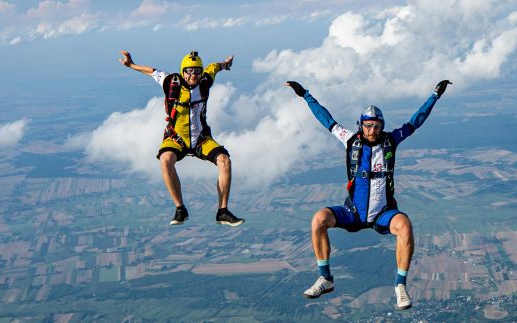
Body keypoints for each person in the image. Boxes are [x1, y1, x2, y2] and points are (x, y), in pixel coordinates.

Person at [285, 79, 452, 310]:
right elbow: (326, 119)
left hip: (383, 212)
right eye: (368, 125)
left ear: (381, 126)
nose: (372, 130)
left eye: (376, 125)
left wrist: (435, 95)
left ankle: (400, 285)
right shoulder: (350, 140)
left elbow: (415, 121)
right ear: (361, 125)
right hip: (352, 212)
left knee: (404, 225)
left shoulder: (391, 141)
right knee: (318, 219)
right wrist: (305, 94)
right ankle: (325, 278)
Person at [120, 49, 244, 226]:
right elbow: (152, 72)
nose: (194, 75)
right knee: (165, 160)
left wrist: (226, 64)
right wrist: (131, 65)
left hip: (201, 137)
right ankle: (180, 208)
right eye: (189, 71)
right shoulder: (171, 82)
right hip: (176, 137)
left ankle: (222, 211)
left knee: (224, 160)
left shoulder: (205, 81)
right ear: (182, 71)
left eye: (197, 71)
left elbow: (215, 67)